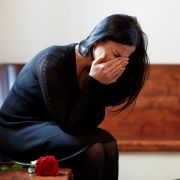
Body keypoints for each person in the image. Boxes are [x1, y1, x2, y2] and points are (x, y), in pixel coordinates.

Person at [0, 14, 149, 180]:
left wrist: (100, 85)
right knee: (93, 149)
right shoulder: (51, 62)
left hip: (52, 128)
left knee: (109, 144)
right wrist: (95, 83)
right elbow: (70, 125)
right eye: (116, 55)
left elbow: (91, 122)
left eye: (125, 59)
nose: (119, 64)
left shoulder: (98, 71)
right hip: (16, 130)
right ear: (97, 40)